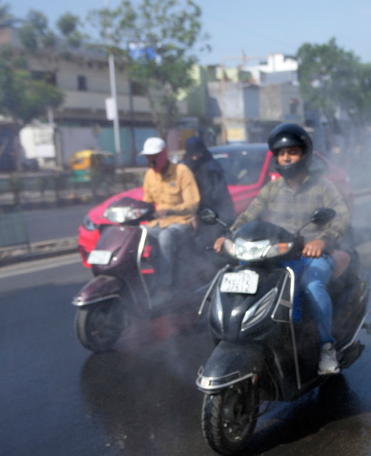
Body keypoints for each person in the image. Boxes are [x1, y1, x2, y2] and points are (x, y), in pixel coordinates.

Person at [214, 123, 350, 375]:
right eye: (280, 153)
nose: (285, 157)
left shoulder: (322, 187)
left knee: (311, 285)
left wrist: (323, 240)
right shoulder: (271, 189)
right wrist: (229, 235)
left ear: (304, 155)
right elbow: (249, 216)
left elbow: (341, 217)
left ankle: (326, 346)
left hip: (313, 255)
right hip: (276, 253)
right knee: (239, 279)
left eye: (292, 152)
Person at [140, 137, 200, 303]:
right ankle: (139, 284)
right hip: (158, 223)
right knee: (136, 235)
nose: (151, 161)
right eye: (148, 158)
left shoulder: (182, 172)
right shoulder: (149, 175)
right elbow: (147, 202)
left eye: (154, 157)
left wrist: (171, 210)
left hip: (181, 222)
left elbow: (193, 203)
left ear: (164, 154)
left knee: (165, 237)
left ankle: (164, 288)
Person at [183, 136, 235, 246]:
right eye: (192, 155)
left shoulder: (212, 168)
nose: (195, 158)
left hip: (214, 214)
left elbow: (216, 195)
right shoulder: (185, 169)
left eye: (197, 154)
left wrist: (200, 212)